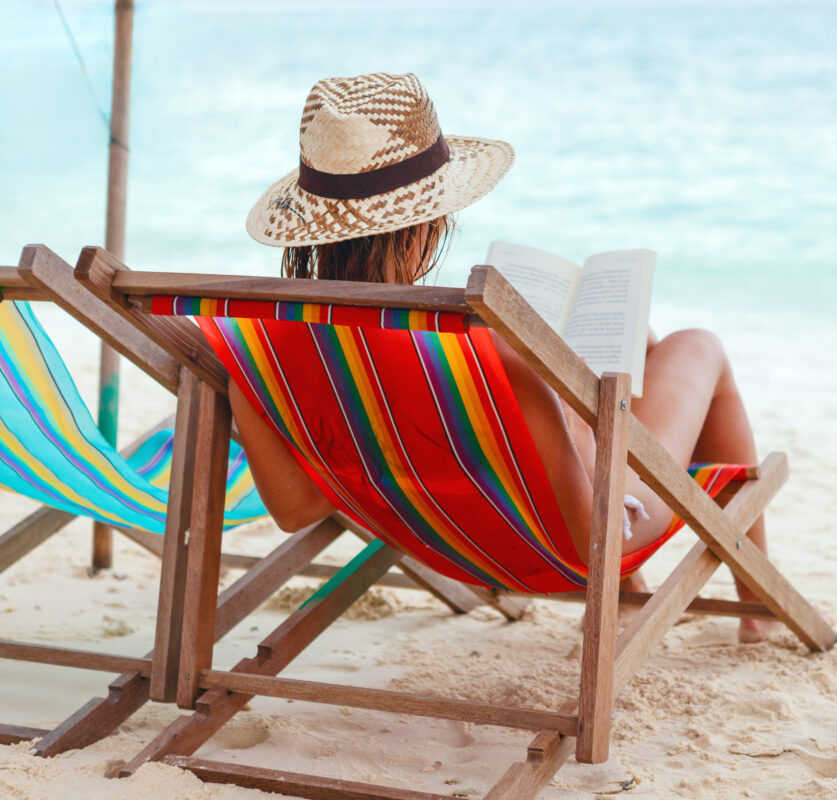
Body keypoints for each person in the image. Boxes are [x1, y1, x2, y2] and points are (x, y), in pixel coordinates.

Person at [235, 73, 780, 642]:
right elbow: (586, 537)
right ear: (430, 224)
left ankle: (644, 595)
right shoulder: (484, 352)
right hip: (569, 547)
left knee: (639, 338)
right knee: (697, 345)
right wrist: (564, 400)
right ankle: (756, 605)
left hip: (440, 533)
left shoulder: (260, 350)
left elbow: (294, 511)